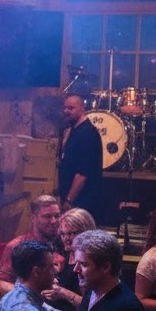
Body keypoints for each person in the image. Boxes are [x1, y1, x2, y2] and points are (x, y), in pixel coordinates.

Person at [0, 194, 62, 297]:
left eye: (57, 216)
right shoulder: (17, 246)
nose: (54, 221)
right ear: (33, 218)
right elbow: (0, 284)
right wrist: (31, 296)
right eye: (47, 216)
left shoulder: (63, 241)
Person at [58, 94, 104, 223]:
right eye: (65, 108)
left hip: (81, 201)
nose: (66, 111)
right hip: (74, 200)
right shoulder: (73, 130)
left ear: (82, 109)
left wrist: (69, 200)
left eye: (71, 108)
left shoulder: (87, 134)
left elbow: (82, 173)